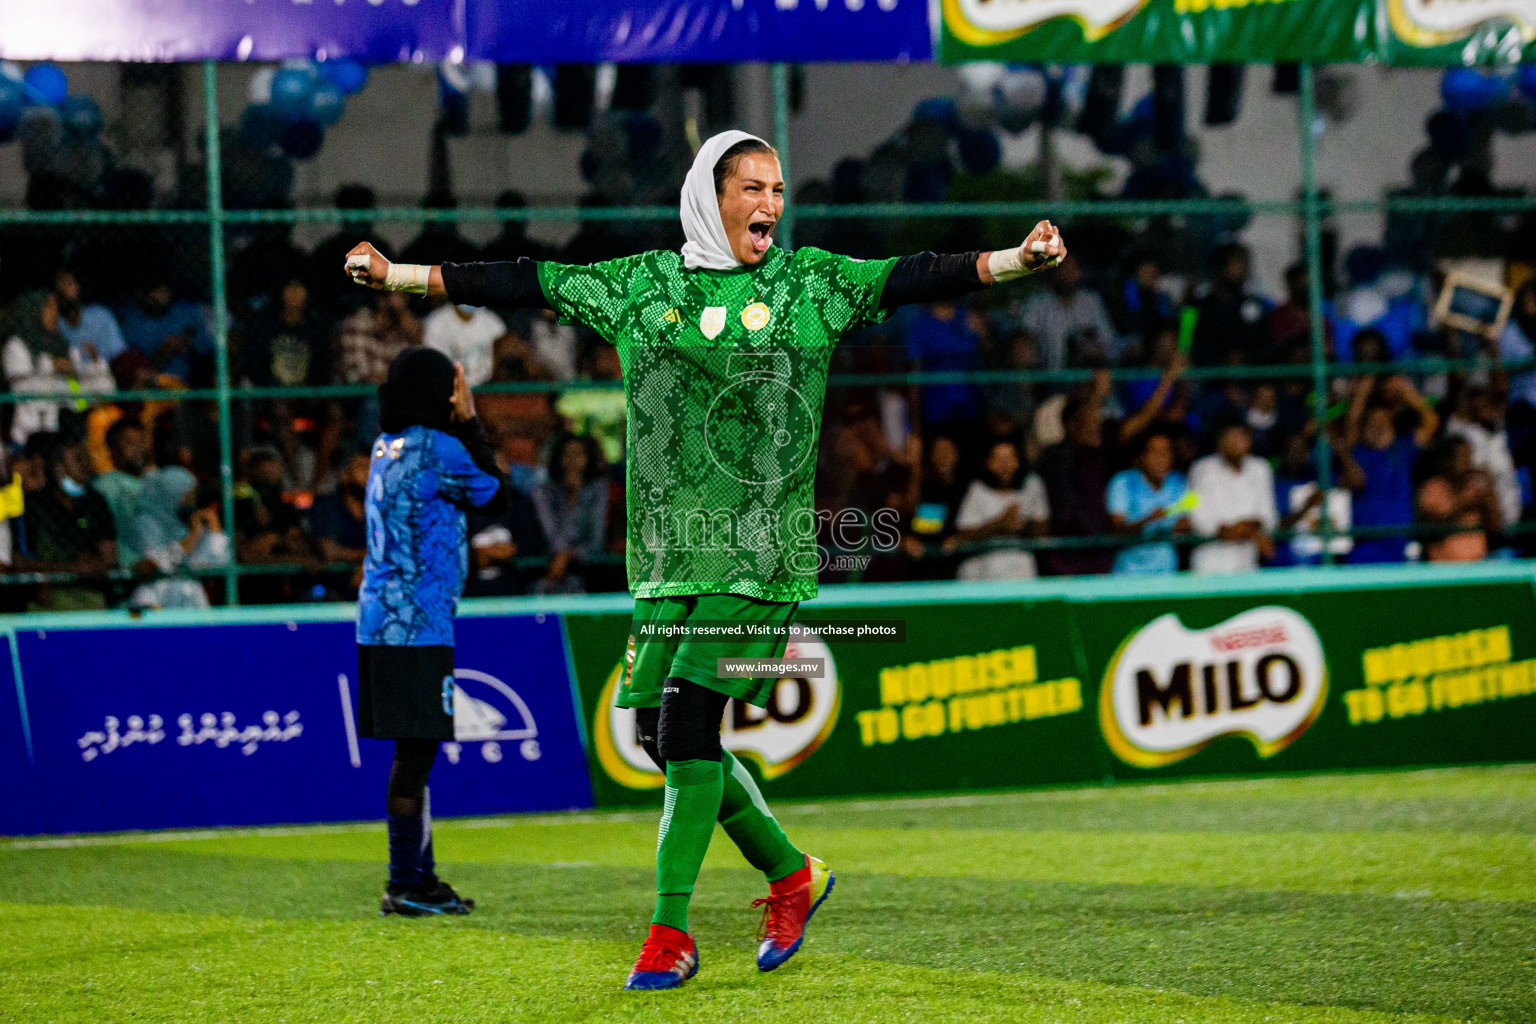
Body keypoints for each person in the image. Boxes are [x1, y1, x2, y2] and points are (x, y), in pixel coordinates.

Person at [344, 129, 1067, 989]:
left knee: (688, 725)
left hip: (759, 557)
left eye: (778, 189)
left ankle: (670, 931)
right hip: (666, 562)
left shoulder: (811, 283)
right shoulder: (641, 286)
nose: (770, 204)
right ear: (708, 195)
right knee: (655, 733)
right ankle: (791, 873)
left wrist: (1016, 260)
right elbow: (524, 280)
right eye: (752, 187)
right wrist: (396, 276)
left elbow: (913, 274)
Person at [354, 347, 509, 917]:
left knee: (412, 752)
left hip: (383, 617)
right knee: (415, 757)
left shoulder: (385, 446)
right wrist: (469, 421)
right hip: (416, 623)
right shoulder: (438, 448)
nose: (455, 395)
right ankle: (405, 884)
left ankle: (420, 877)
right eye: (451, 387)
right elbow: (498, 492)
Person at [1340, 375, 1439, 564]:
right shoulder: (1359, 454)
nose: (1377, 428)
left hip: (1401, 545)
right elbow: (1350, 429)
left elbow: (1431, 420)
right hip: (1366, 548)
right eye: (1371, 424)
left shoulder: (1403, 449)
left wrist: (1406, 391)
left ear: (1392, 426)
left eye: (1382, 422)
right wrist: (1361, 394)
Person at [19, 434, 117, 611]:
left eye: (86, 459)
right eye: (78, 460)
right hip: (48, 597)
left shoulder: (95, 501)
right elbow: (19, 560)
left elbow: (109, 556)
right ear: (58, 467)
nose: (86, 466)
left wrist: (95, 565)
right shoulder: (33, 504)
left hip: (89, 595)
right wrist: (69, 569)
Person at [1187, 419, 1278, 574]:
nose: (1238, 441)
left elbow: (1269, 517)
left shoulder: (1260, 468)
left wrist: (1243, 528)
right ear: (1220, 441)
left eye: (1243, 436)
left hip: (1247, 563)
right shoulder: (1202, 469)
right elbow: (1198, 520)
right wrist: (1246, 530)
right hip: (1209, 564)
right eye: (1232, 436)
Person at [949, 439, 1049, 579]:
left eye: (1010, 458)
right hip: (981, 574)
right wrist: (1000, 524)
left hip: (1020, 572)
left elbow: (1043, 532)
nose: (1005, 465)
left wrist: (1021, 524)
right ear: (988, 463)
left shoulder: (1032, 485)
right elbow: (962, 534)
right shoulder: (976, 488)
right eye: (998, 459)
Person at [530, 433, 609, 594]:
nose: (573, 460)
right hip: (547, 571)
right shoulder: (542, 492)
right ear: (558, 458)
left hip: (587, 575)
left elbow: (596, 541)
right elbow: (552, 539)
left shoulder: (599, 490)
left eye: (579, 454)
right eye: (567, 454)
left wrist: (571, 555)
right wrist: (571, 498)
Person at [1106, 430, 1190, 575]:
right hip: (1128, 573)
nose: (1162, 458)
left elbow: (1188, 518)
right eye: (1155, 452)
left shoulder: (1178, 482)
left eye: (1166, 452)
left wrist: (1178, 522)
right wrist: (1149, 519)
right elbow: (1118, 528)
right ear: (1141, 457)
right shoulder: (1122, 481)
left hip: (1167, 572)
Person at [1417, 436, 1500, 562]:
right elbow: (1430, 529)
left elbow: (1496, 525)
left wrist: (1488, 499)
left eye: (1468, 456)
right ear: (1446, 460)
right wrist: (1462, 504)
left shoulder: (1475, 486)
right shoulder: (1432, 488)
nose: (1466, 462)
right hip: (1444, 566)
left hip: (1477, 564)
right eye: (1460, 456)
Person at [94, 418, 153, 569]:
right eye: (130, 443)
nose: (139, 449)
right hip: (131, 567)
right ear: (113, 450)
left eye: (142, 442)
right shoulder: (108, 484)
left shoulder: (155, 479)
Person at [423, 300, 506, 389]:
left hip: (485, 392)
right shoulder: (436, 323)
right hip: (448, 391)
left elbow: (501, 368)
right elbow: (435, 367)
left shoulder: (494, 324)